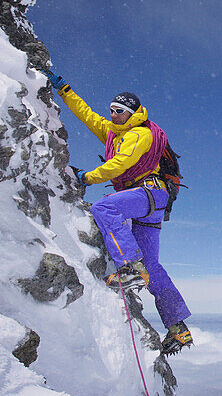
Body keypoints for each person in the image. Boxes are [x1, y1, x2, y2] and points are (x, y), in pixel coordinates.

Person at [42, 66, 193, 354]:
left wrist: (87, 177)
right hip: (149, 201)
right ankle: (178, 327)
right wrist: (64, 91)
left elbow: (120, 164)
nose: (113, 115)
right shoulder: (114, 131)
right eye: (111, 109)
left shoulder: (139, 135)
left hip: (149, 193)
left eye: (119, 111)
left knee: (104, 207)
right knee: (154, 265)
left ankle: (130, 268)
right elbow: (86, 115)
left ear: (132, 113)